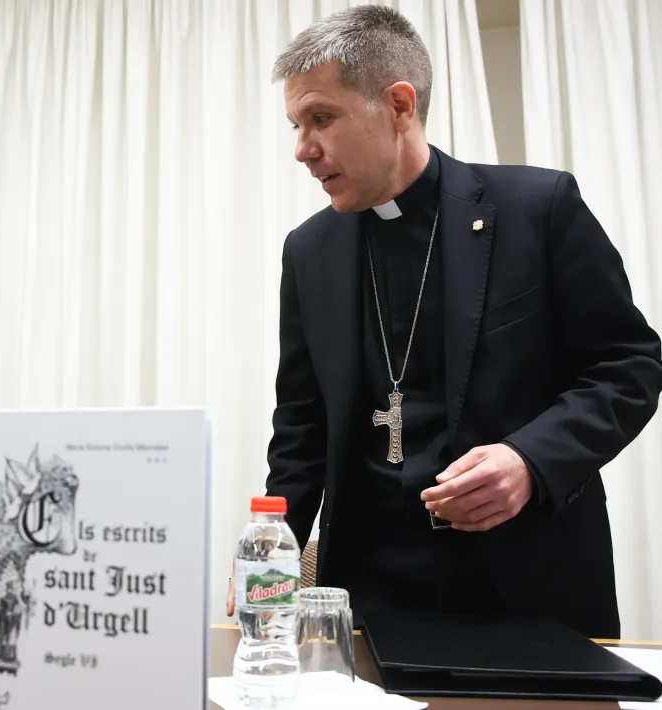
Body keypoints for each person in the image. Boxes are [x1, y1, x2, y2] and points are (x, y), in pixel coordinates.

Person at [227, 6, 662, 639]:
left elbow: (630, 365)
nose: (302, 150)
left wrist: (529, 459)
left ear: (399, 105)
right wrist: (272, 554)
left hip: (527, 579)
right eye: (296, 125)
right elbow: (301, 426)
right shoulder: (309, 250)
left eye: (321, 119)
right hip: (370, 592)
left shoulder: (537, 209)